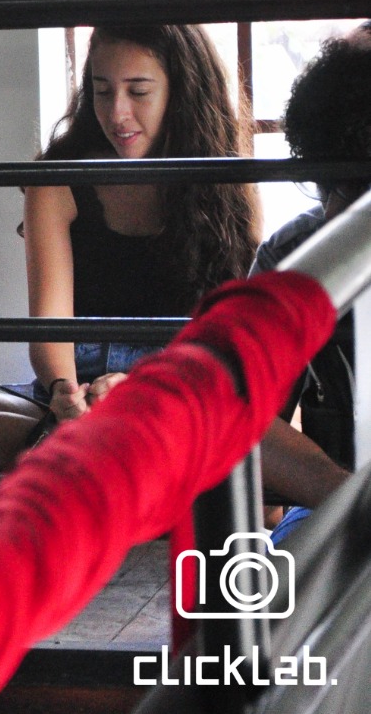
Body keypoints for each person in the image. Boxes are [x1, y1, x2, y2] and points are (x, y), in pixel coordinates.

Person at [22, 25, 260, 424]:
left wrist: (144, 385)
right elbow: (50, 329)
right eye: (102, 91)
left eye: (138, 92)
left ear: (181, 94)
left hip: (182, 384)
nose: (117, 113)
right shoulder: (57, 181)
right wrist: (64, 392)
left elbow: (231, 340)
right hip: (81, 384)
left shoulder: (224, 182)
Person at [250, 21, 370, 536]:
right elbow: (247, 420)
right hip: (330, 511)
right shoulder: (291, 254)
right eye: (331, 185)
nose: (339, 208)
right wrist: (347, 496)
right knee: (285, 571)